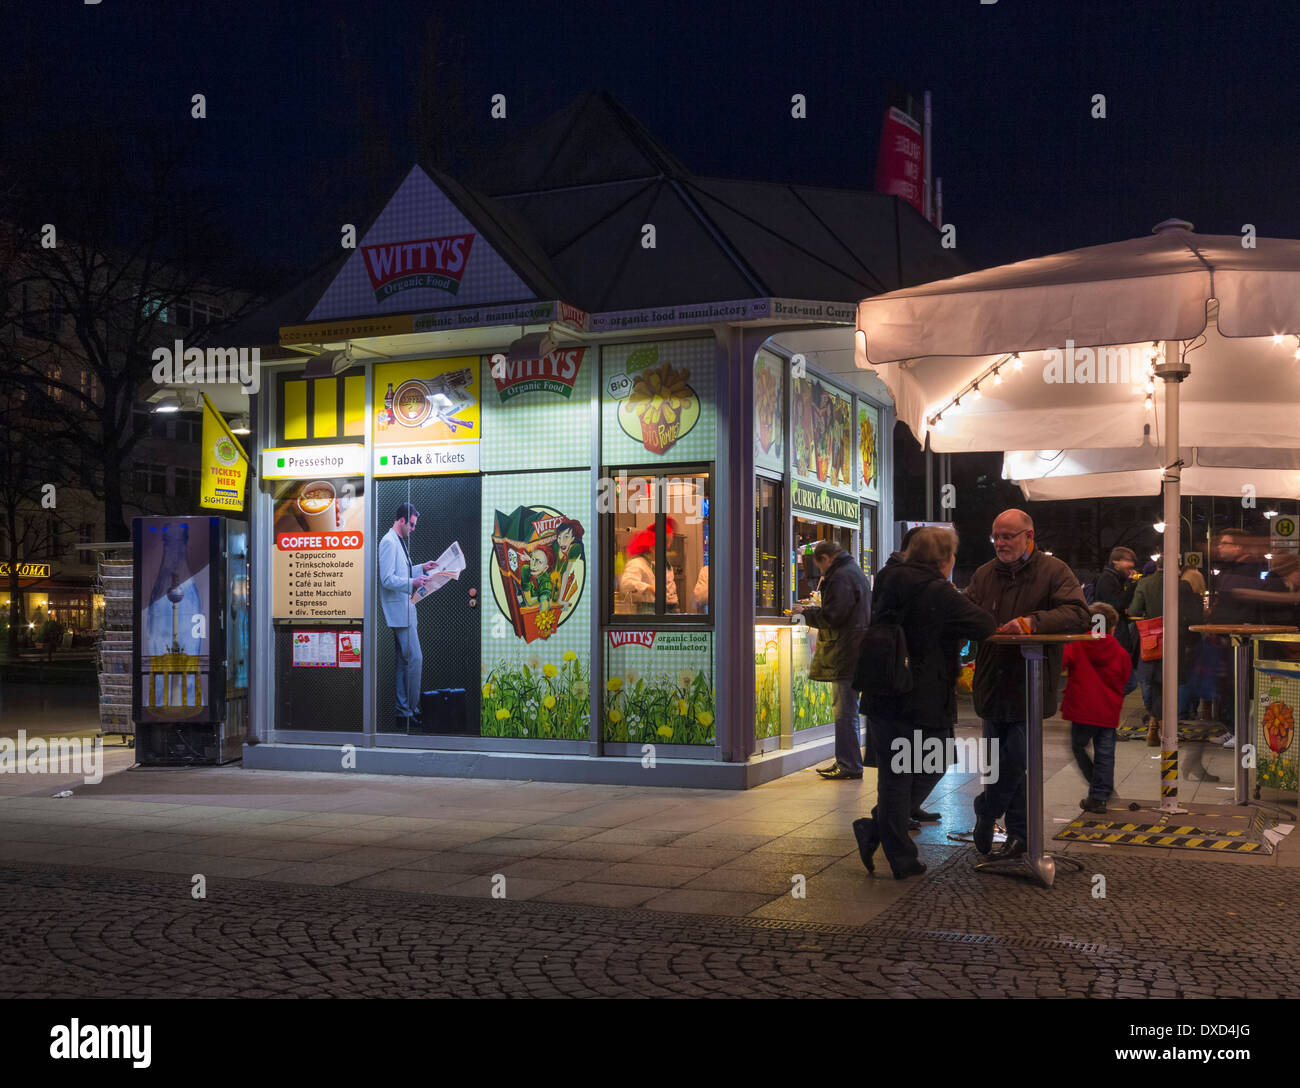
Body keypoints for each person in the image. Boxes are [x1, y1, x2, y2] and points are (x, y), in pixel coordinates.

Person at [853, 528, 995, 878]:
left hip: (885, 691)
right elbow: (984, 623)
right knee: (921, 769)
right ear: (945, 558)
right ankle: (899, 855)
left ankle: (878, 829)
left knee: (899, 775)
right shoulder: (937, 590)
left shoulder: (888, 578)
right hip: (922, 695)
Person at [965, 509, 1090, 859]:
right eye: (997, 536)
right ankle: (1017, 834)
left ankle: (988, 812)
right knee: (998, 762)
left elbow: (1079, 613)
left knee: (1017, 759)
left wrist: (1033, 622)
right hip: (992, 681)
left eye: (1008, 536)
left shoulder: (1054, 571)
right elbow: (968, 612)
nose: (1001, 543)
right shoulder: (983, 575)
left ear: (1029, 536)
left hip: (1031, 683)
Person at [793, 539, 872, 780]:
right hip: (854, 649)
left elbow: (834, 615)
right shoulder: (853, 570)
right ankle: (849, 762)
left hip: (846, 650)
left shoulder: (840, 576)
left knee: (844, 709)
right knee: (847, 708)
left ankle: (848, 764)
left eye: (820, 566)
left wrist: (806, 613)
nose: (821, 572)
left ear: (826, 559)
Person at [1062, 603, 1132, 813]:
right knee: (1105, 753)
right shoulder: (1121, 652)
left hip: (1082, 709)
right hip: (1108, 712)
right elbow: (1129, 681)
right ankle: (1100, 795)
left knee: (1078, 746)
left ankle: (1099, 787)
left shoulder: (1077, 644)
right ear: (1112, 628)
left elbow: (1062, 663)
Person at [378, 503, 443, 729]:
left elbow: (400, 572)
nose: (413, 529)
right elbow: (386, 579)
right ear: (402, 521)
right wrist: (412, 582)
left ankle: (403, 712)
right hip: (398, 611)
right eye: (412, 524)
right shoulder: (388, 542)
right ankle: (410, 710)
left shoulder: (397, 541)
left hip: (404, 610)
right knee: (414, 659)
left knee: (404, 663)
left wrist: (422, 568)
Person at [1127, 556, 1167, 747]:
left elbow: (1135, 609)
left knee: (1149, 679)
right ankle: (1157, 725)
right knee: (1166, 684)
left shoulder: (1145, 583)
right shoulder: (1180, 584)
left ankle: (1153, 724)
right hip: (1175, 639)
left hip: (1152, 639)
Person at [619, 522, 678, 611]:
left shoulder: (663, 564)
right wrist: (649, 588)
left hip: (667, 609)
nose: (666, 549)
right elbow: (626, 584)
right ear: (652, 548)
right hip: (648, 610)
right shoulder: (637, 563)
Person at [1094, 546, 1138, 612]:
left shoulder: (1118, 578)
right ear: (1115, 562)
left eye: (1132, 561)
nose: (1132, 564)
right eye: (1128, 560)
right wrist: (1132, 583)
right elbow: (1117, 605)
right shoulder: (1107, 579)